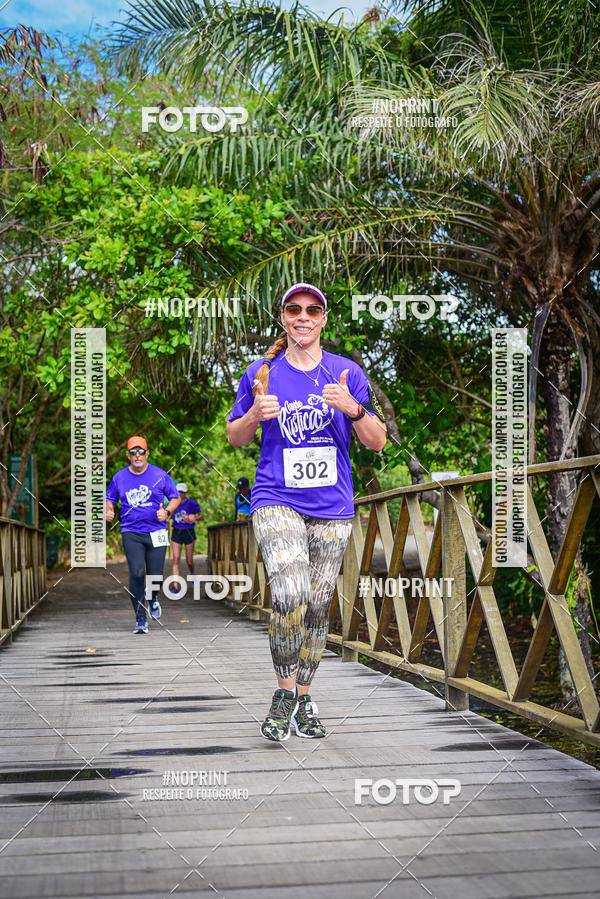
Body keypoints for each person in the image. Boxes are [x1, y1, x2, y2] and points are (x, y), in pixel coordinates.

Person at [226, 282, 387, 741]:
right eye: (294, 309)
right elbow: (235, 437)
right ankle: (282, 695)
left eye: (312, 310)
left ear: (323, 318)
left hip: (332, 506)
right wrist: (256, 414)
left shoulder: (346, 373)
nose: (303, 316)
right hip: (276, 497)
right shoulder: (261, 372)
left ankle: (303, 695)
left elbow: (376, 440)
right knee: (289, 591)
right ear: (283, 317)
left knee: (317, 606)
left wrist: (353, 409)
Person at [105, 435, 181, 634]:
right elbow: (109, 498)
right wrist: (109, 510)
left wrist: (167, 512)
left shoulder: (160, 475)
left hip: (157, 531)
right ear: (128, 455)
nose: (137, 455)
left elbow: (175, 497)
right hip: (132, 532)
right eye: (133, 452)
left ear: (147, 453)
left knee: (155, 575)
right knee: (137, 572)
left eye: (141, 451)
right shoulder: (119, 477)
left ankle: (153, 597)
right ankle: (140, 619)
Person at [171, 482, 203, 579]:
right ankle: (175, 585)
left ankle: (192, 574)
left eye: (182, 492)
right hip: (177, 532)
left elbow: (201, 516)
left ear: (185, 493)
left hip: (189, 532)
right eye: (178, 492)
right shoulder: (172, 503)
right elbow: (168, 514)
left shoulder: (192, 503)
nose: (180, 494)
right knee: (176, 559)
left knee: (189, 560)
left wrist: (193, 518)